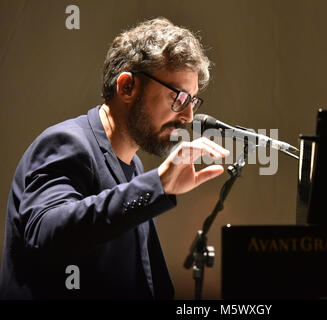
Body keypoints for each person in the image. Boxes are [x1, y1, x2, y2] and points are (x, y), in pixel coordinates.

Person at [0, 17, 229, 299]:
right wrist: (157, 184)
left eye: (192, 102)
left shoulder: (133, 166)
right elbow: (45, 235)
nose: (188, 116)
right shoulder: (67, 143)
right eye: (179, 98)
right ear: (127, 87)